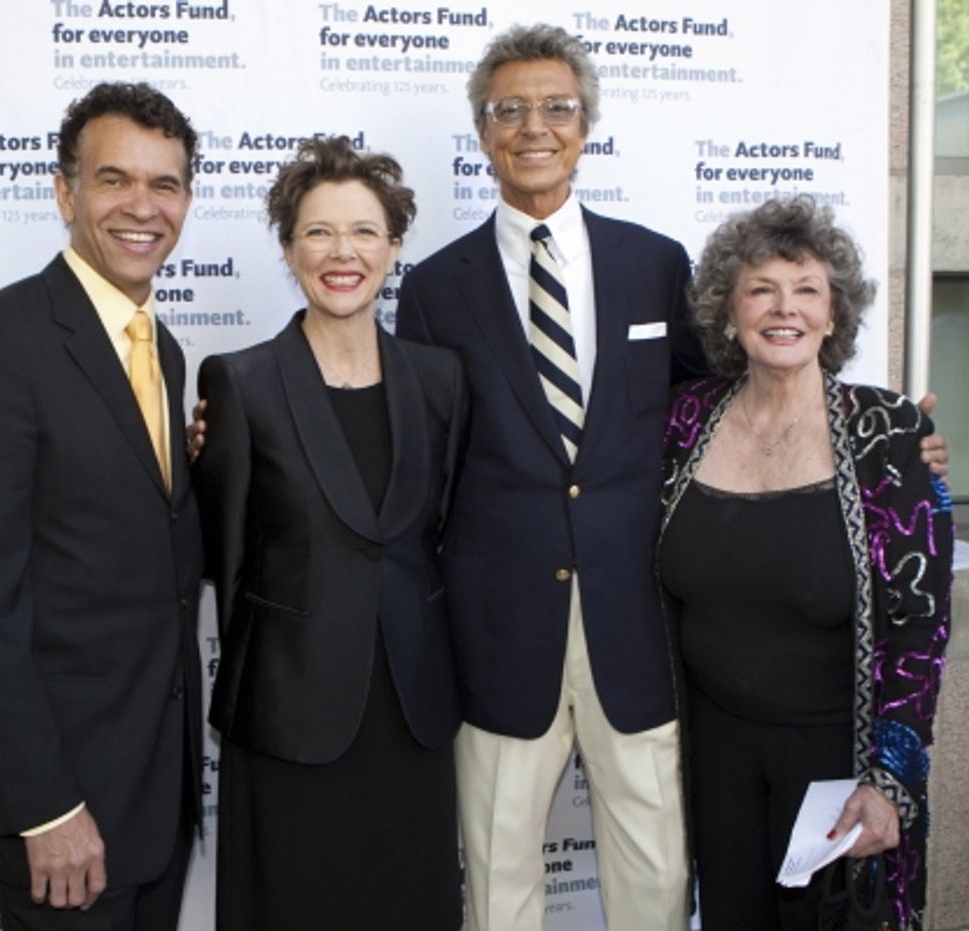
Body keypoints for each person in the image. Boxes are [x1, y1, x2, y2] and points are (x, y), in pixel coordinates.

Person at [390, 22, 950, 931]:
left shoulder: (652, 265)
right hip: (496, 637)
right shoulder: (433, 287)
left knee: (654, 883)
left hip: (639, 638)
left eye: (558, 108)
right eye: (511, 110)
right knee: (498, 886)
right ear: (484, 130)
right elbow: (411, 452)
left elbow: (725, 402)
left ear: (586, 126)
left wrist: (896, 446)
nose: (536, 126)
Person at [0, 82, 202, 931]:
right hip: (64, 812)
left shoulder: (166, 350)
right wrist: (43, 807)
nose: (141, 207)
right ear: (64, 191)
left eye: (166, 184)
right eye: (114, 179)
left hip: (156, 795)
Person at [195, 136, 469, 931]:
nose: (342, 252)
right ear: (288, 248)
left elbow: (440, 528)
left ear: (394, 247)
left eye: (363, 232)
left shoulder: (439, 378)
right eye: (318, 232)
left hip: (411, 709)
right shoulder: (239, 381)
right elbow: (226, 555)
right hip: (291, 712)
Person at [658, 196, 953, 930]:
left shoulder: (888, 431)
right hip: (712, 753)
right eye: (761, 288)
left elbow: (922, 628)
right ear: (730, 309)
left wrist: (890, 779)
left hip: (837, 760)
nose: (783, 308)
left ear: (833, 312)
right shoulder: (684, 416)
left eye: (806, 289)